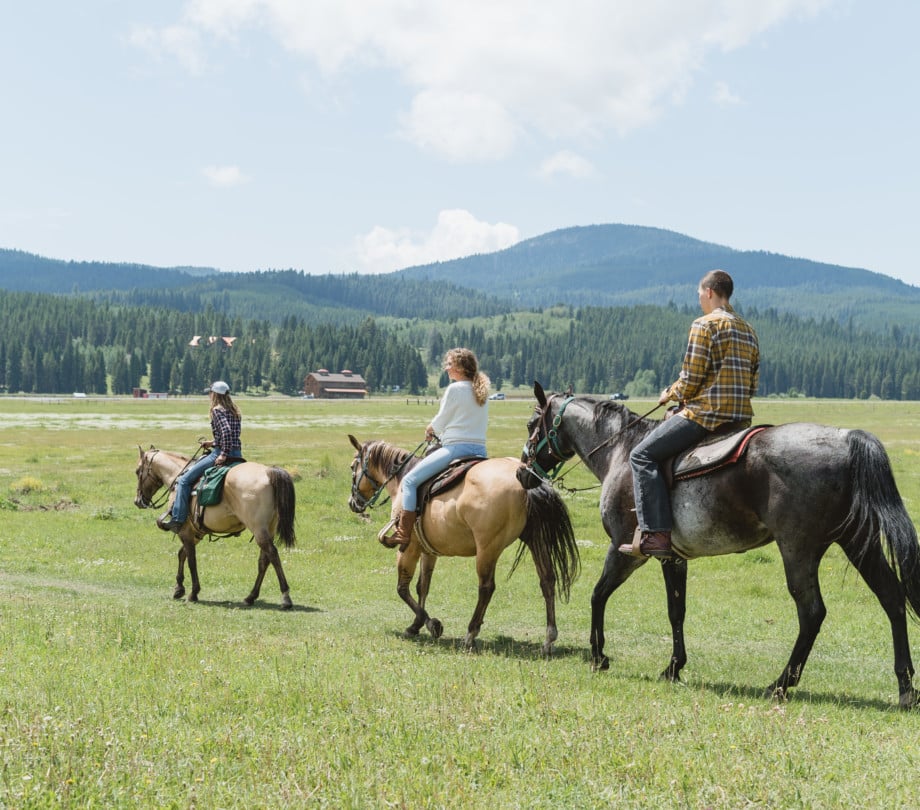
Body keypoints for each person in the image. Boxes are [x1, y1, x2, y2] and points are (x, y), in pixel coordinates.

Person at [620, 269, 760, 560]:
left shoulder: (704, 325)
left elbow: (691, 379)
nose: (699, 299)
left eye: (699, 293)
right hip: (740, 420)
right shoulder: (749, 330)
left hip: (705, 417)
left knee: (641, 455)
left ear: (709, 292)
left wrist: (669, 394)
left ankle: (656, 534)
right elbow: (753, 384)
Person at [390, 348, 490, 547]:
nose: (446, 368)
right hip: (480, 451)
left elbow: (442, 419)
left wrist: (430, 428)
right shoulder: (481, 390)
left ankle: (403, 533)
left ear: (460, 367)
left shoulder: (455, 389)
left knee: (409, 481)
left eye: (450, 364)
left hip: (455, 449)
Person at [158, 380, 243, 532]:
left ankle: (177, 519)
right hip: (237, 453)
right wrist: (212, 442)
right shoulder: (234, 411)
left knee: (183, 480)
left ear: (215, 395)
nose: (209, 395)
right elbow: (232, 435)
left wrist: (222, 454)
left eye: (210, 393)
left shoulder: (218, 410)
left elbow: (227, 432)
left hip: (222, 453)